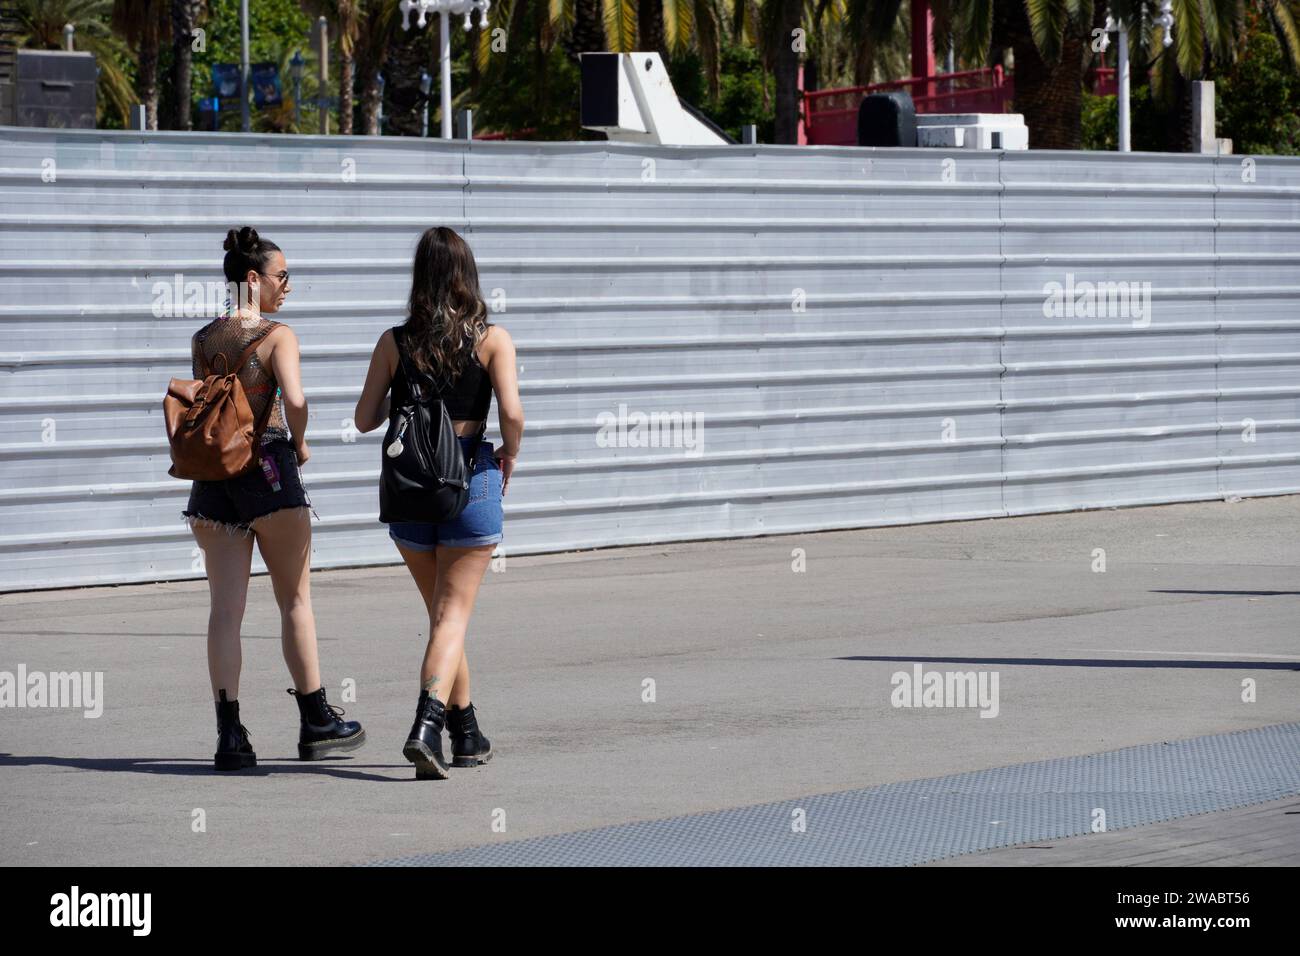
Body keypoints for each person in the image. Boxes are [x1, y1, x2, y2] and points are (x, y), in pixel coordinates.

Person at [184, 227, 365, 771]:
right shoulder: (277, 335)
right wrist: (303, 442)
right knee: (295, 601)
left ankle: (230, 736)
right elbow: (297, 398)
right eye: (282, 276)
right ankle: (316, 721)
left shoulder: (202, 340)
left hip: (213, 481)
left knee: (224, 612)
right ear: (253, 279)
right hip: (268, 470)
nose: (288, 286)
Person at [353, 226, 523, 780]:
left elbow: (364, 418)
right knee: (451, 618)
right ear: (466, 275)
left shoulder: (394, 341)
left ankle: (466, 730)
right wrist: (510, 456)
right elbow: (514, 415)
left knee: (443, 617)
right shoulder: (492, 338)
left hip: (409, 495)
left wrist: (403, 395)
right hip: (470, 479)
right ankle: (426, 727)